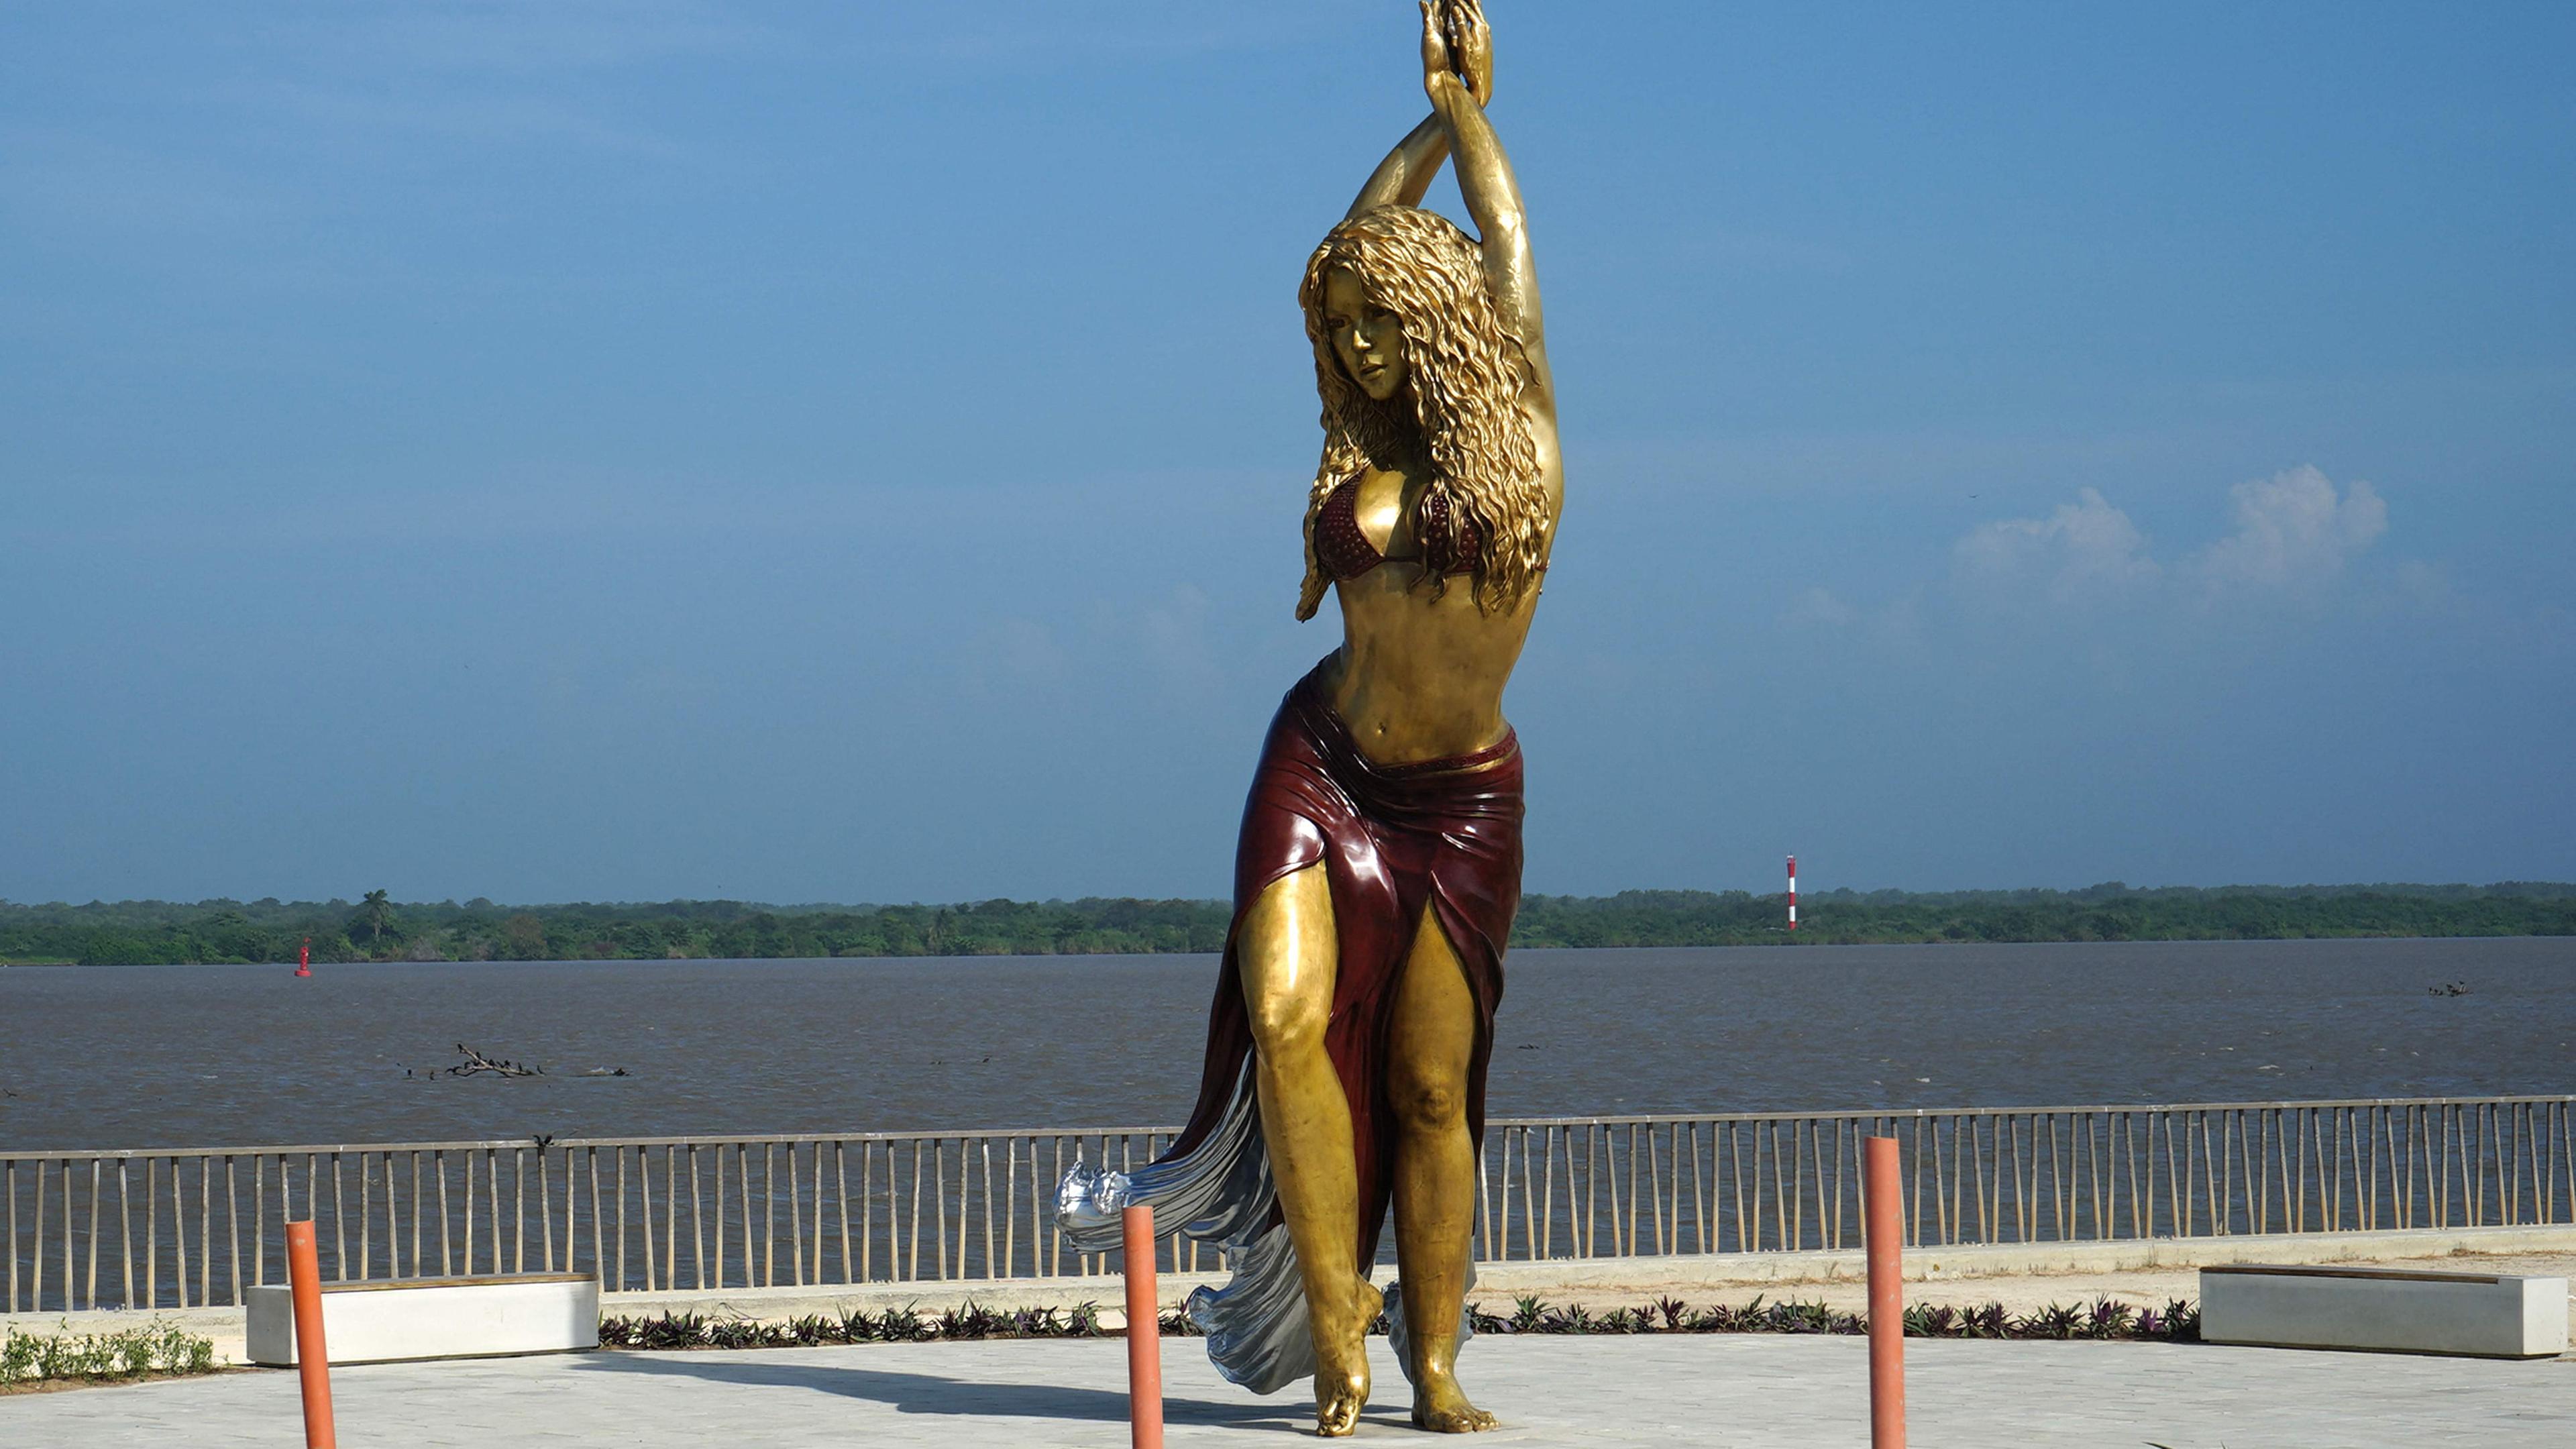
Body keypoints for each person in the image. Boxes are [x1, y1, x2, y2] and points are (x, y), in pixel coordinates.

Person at [1061, 3, 1559, 1434]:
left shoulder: (1517, 440)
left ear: (1443, 321)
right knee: (1284, 1023)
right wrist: (1408, 138)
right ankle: (1339, 1336)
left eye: (1382, 322)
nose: (1360, 349)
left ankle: (1437, 1363)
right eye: (1343, 331)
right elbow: (1355, 238)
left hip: (1456, 805)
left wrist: (1467, 116)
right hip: (1320, 762)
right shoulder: (1359, 445)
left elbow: (1509, 254)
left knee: (1424, 1091)